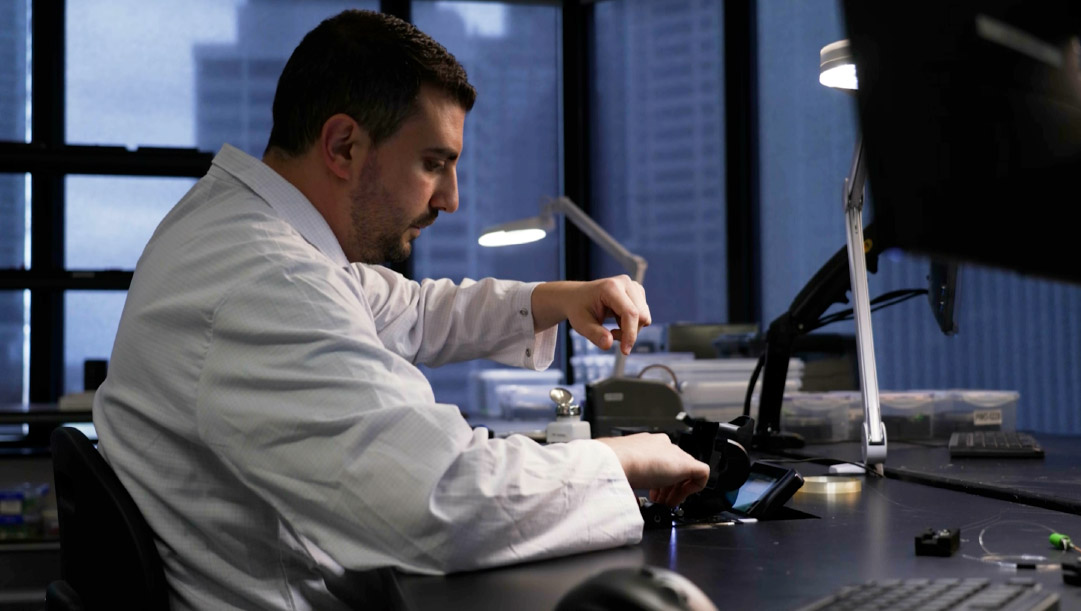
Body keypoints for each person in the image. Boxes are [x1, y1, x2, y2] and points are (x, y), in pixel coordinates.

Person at [93, 9, 709, 610]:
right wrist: (620, 458)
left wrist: (551, 299)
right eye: (433, 163)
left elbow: (409, 310)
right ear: (343, 146)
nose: (451, 198)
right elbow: (443, 504)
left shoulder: (241, 231)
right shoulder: (269, 280)